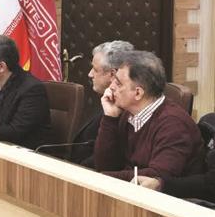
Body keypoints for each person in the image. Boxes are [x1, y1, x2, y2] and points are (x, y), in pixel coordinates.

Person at [95, 51, 204, 181]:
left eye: (118, 83)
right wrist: (110, 118)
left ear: (138, 93)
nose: (111, 86)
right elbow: (105, 165)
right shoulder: (127, 112)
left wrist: (100, 178)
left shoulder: (174, 125)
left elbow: (156, 176)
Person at [68, 41, 134, 167]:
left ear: (113, 74)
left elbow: (114, 157)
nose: (90, 74)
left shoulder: (128, 109)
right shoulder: (108, 100)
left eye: (95, 69)